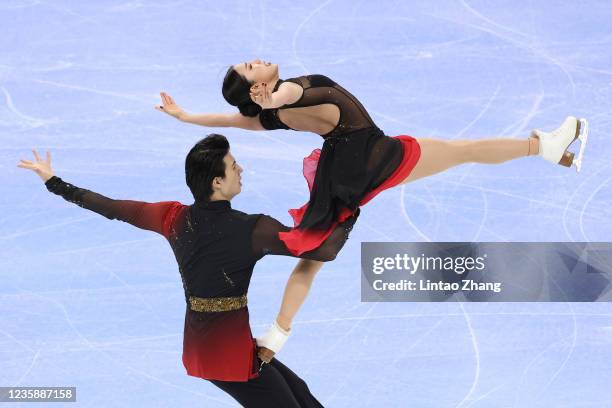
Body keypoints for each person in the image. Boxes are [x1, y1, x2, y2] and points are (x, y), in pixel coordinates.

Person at [17, 134, 358, 408]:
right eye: (234, 165)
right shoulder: (253, 229)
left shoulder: (172, 217)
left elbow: (111, 208)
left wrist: (54, 182)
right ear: (217, 182)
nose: (241, 170)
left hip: (205, 347)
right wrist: (352, 206)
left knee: (299, 392)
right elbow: (324, 250)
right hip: (229, 355)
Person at [155, 59, 589, 258]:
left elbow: (236, 121)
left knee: (462, 152)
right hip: (373, 158)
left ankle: (546, 149)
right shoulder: (283, 100)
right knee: (464, 151)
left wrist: (186, 115)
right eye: (250, 69)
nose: (255, 60)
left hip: (367, 153)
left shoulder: (278, 108)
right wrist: (270, 101)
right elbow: (282, 97)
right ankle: (545, 148)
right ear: (257, 90)